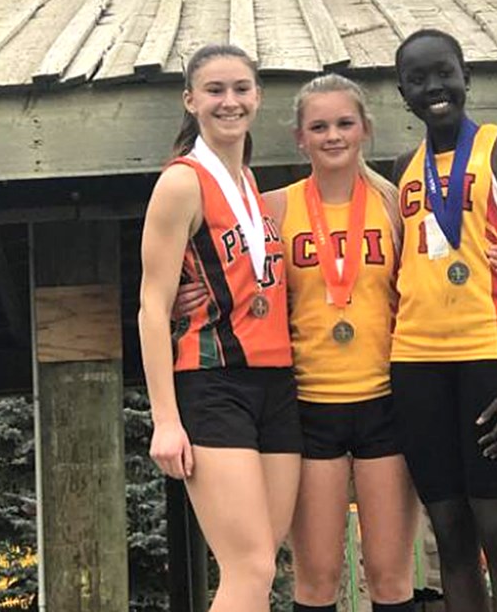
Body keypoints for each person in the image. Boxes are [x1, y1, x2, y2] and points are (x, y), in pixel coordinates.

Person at [175, 73, 497, 612]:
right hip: (309, 405)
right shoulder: (270, 208)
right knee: (317, 579)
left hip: (386, 400)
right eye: (318, 126)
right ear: (299, 137)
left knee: (390, 577)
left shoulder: (395, 202)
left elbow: (449, 259)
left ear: (365, 129)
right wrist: (185, 294)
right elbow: (218, 270)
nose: (332, 136)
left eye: (344, 123)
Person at [389, 29, 497, 612]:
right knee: (452, 539)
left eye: (444, 73)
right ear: (402, 93)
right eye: (418, 79)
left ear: (466, 76)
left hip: (490, 359)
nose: (434, 87)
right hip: (414, 366)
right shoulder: (402, 168)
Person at [139, 43, 302, 612]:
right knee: (248, 565)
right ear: (190, 101)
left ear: (257, 97)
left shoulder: (252, 187)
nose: (229, 101)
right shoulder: (182, 183)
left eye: (240, 89)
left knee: (262, 562)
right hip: (213, 383)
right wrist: (164, 420)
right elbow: (152, 307)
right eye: (214, 90)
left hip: (277, 385)